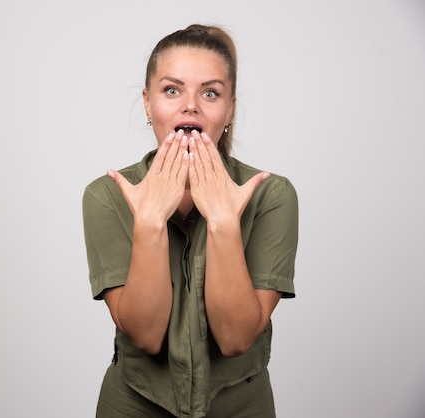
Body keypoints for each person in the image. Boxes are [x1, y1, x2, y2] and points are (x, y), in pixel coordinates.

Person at [82, 23, 298, 418]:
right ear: (148, 104)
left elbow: (235, 340)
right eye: (172, 90)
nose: (190, 106)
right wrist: (148, 222)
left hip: (241, 407)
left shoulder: (271, 194)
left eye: (210, 93)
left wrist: (223, 223)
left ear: (230, 109)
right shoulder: (107, 195)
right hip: (133, 404)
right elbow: (145, 336)